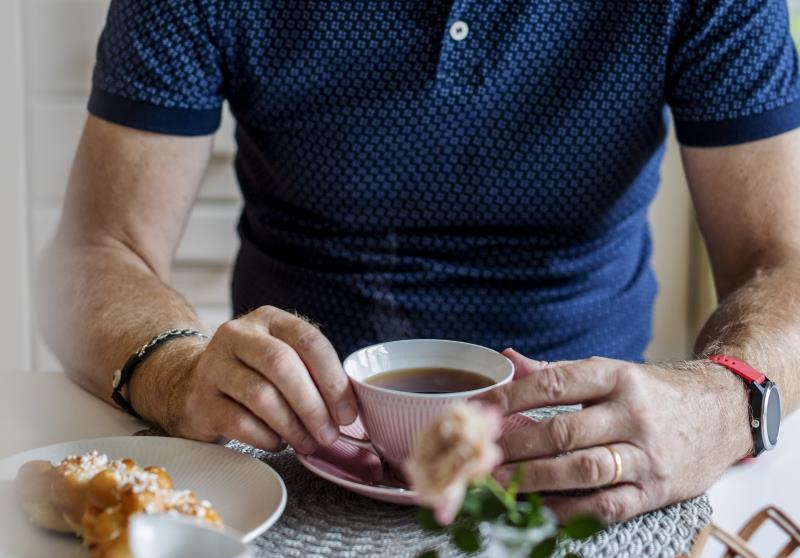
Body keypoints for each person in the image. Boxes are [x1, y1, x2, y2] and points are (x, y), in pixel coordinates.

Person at [39, 0, 800, 523]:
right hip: (286, 465)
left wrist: (727, 403)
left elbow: (784, 259)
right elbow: (96, 250)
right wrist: (175, 371)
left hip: (598, 460)